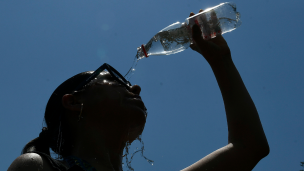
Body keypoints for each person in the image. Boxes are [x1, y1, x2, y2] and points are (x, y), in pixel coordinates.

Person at [8, 10, 269, 171]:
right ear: (74, 102)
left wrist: (221, 61)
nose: (135, 86)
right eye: (115, 79)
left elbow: (249, 147)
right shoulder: (37, 166)